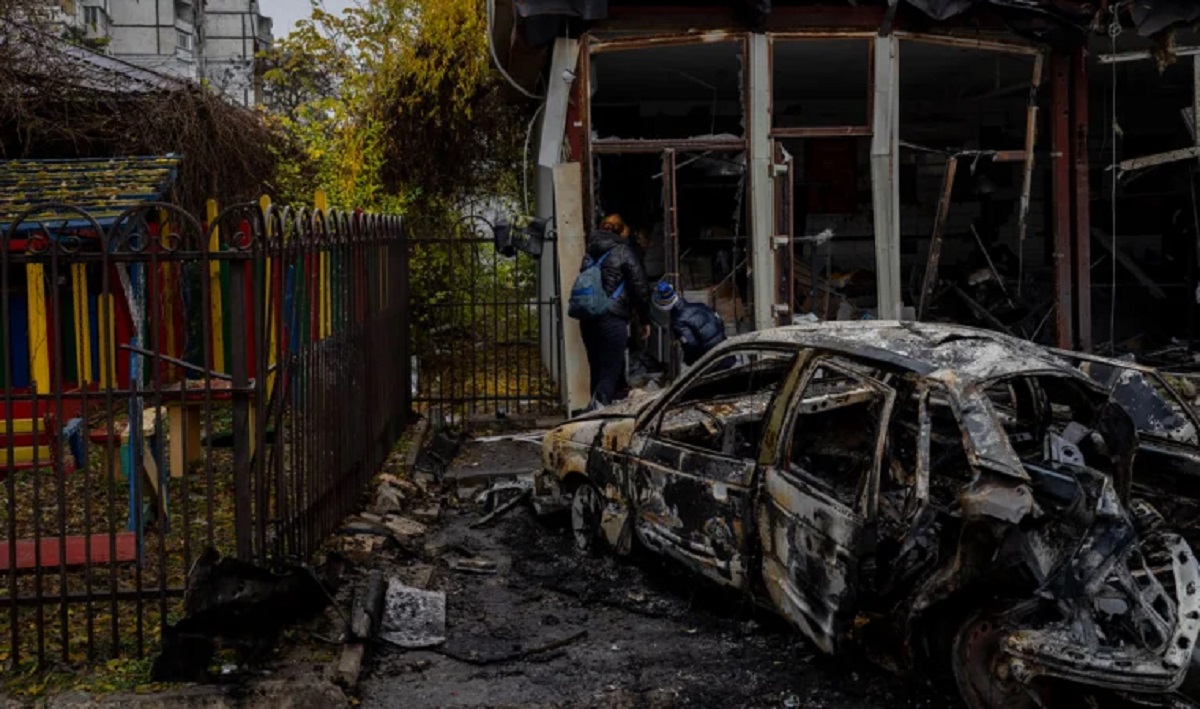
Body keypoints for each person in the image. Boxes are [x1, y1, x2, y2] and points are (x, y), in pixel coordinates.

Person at [579, 218, 651, 410]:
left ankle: (597, 415)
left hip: (588, 319)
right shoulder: (623, 251)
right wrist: (644, 320)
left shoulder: (589, 254)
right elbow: (639, 288)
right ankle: (595, 417)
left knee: (598, 371)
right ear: (622, 232)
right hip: (612, 318)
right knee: (609, 374)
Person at [652, 281, 726, 367]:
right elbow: (719, 322)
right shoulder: (700, 305)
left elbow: (691, 345)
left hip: (713, 364)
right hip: (725, 352)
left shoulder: (678, 322)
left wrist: (689, 363)